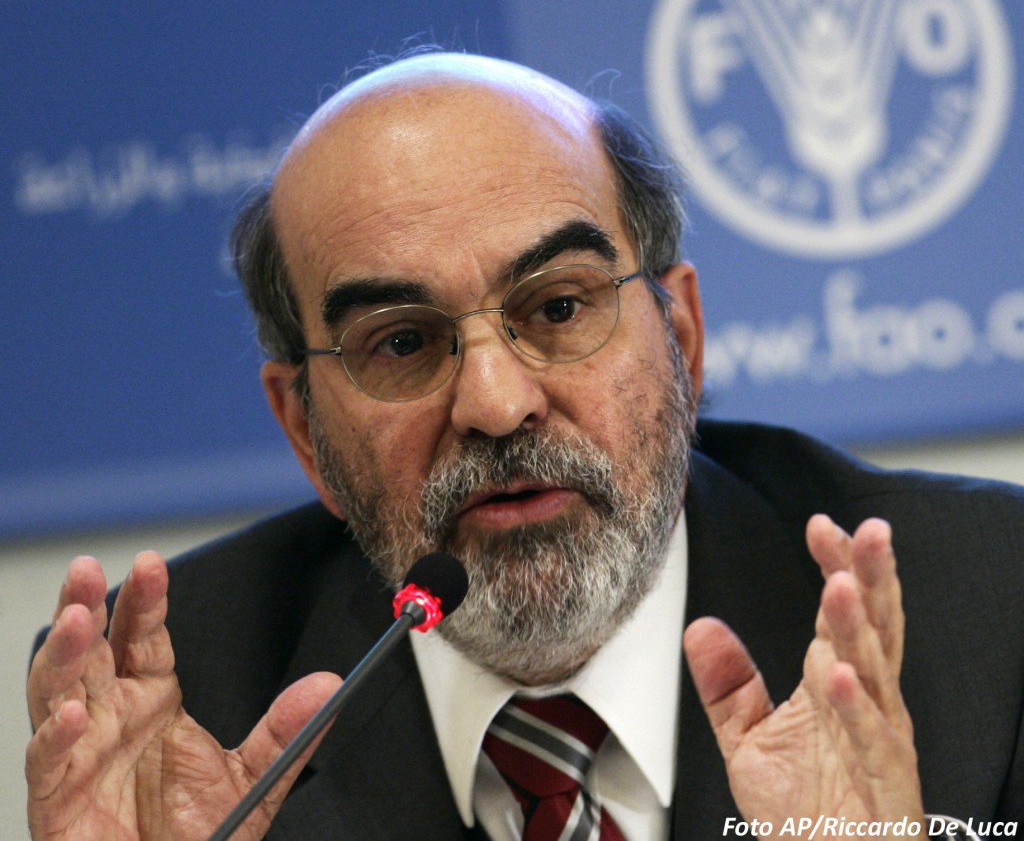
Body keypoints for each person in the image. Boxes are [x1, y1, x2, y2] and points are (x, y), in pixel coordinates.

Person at [25, 51, 1024, 841]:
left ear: (678, 337)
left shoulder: (988, 615)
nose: (496, 405)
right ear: (304, 430)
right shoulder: (187, 698)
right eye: (404, 343)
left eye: (555, 307)